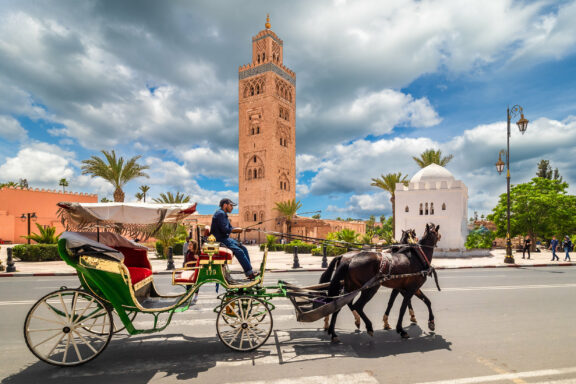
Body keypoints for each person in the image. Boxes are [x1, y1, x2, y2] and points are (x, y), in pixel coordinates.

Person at [211, 198, 259, 280]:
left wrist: (243, 229)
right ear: (225, 205)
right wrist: (239, 230)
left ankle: (249, 271)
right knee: (239, 251)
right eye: (231, 205)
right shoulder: (220, 214)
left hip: (225, 238)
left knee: (243, 248)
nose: (232, 208)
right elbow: (225, 229)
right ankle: (250, 273)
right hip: (220, 239)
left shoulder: (223, 214)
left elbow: (230, 228)